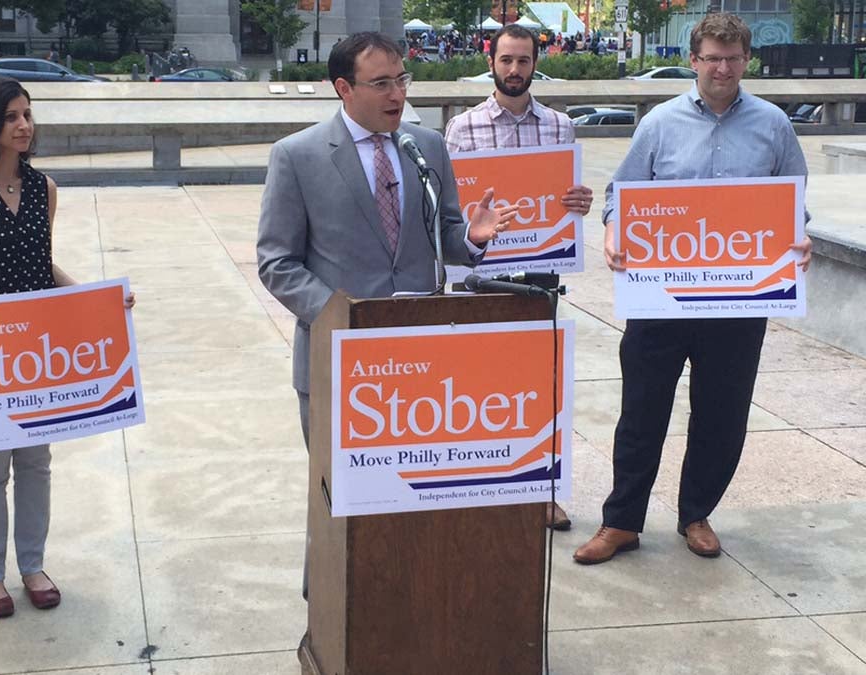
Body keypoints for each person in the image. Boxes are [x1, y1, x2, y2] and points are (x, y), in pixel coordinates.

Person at [257, 32, 516, 598]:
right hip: (337, 359)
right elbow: (276, 262)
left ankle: (411, 600)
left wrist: (470, 239)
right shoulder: (297, 156)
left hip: (422, 364)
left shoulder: (426, 147)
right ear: (343, 88)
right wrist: (337, 315)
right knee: (340, 493)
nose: (397, 94)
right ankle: (329, 603)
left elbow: (442, 233)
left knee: (415, 490)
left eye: (402, 80)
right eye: (381, 83)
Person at [573, 13, 813, 565]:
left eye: (732, 59)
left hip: (740, 299)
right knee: (641, 410)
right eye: (711, 58)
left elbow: (793, 206)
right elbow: (621, 194)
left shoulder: (774, 125)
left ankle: (696, 514)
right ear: (694, 60)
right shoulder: (659, 122)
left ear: (745, 61)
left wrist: (798, 238)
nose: (722, 68)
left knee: (722, 413)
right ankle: (621, 522)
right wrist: (613, 230)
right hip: (661, 297)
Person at [0, 77, 135, 619]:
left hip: (38, 346)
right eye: (11, 118)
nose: (24, 126)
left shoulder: (44, 186)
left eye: (28, 115)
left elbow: (42, 265)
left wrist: (98, 302)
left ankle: (32, 564)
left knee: (37, 462)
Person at [443, 24, 593, 532]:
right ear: (491, 60)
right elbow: (449, 209)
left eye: (523, 61)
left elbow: (568, 200)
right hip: (484, 271)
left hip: (540, 270)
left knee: (540, 381)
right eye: (506, 60)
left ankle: (542, 489)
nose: (514, 70)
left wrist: (581, 204)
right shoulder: (461, 129)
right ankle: (482, 483)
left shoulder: (559, 126)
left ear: (535, 62)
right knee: (479, 382)